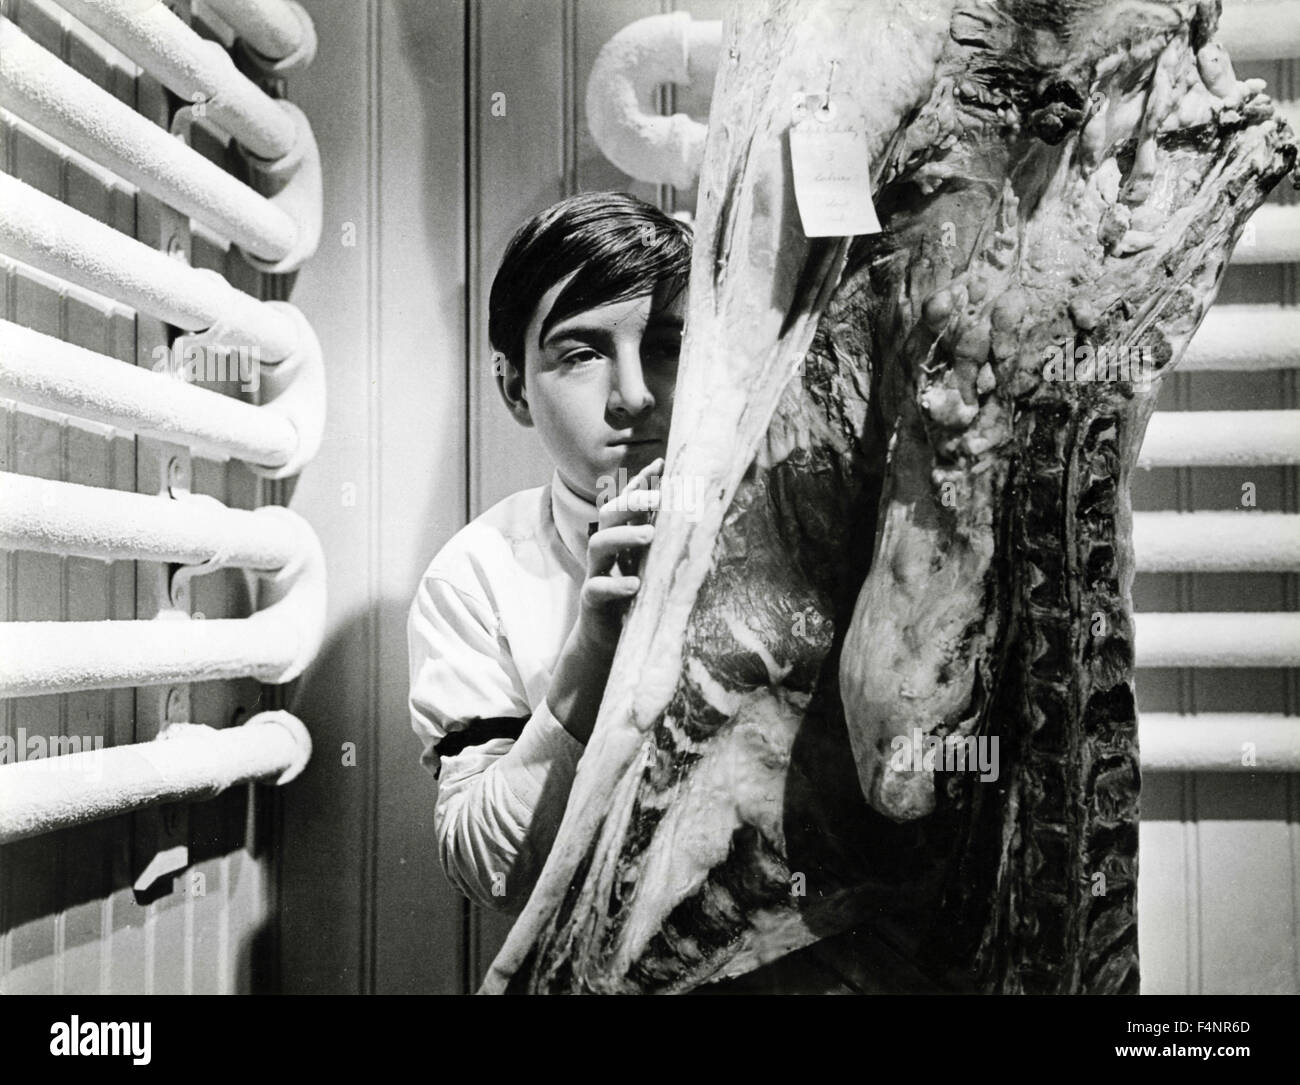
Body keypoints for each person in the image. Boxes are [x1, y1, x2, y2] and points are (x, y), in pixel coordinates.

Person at [406, 191, 691, 913]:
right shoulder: (475, 579)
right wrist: (592, 651)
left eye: (665, 346)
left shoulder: (800, 526)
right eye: (583, 352)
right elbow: (490, 869)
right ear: (514, 389)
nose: (633, 395)